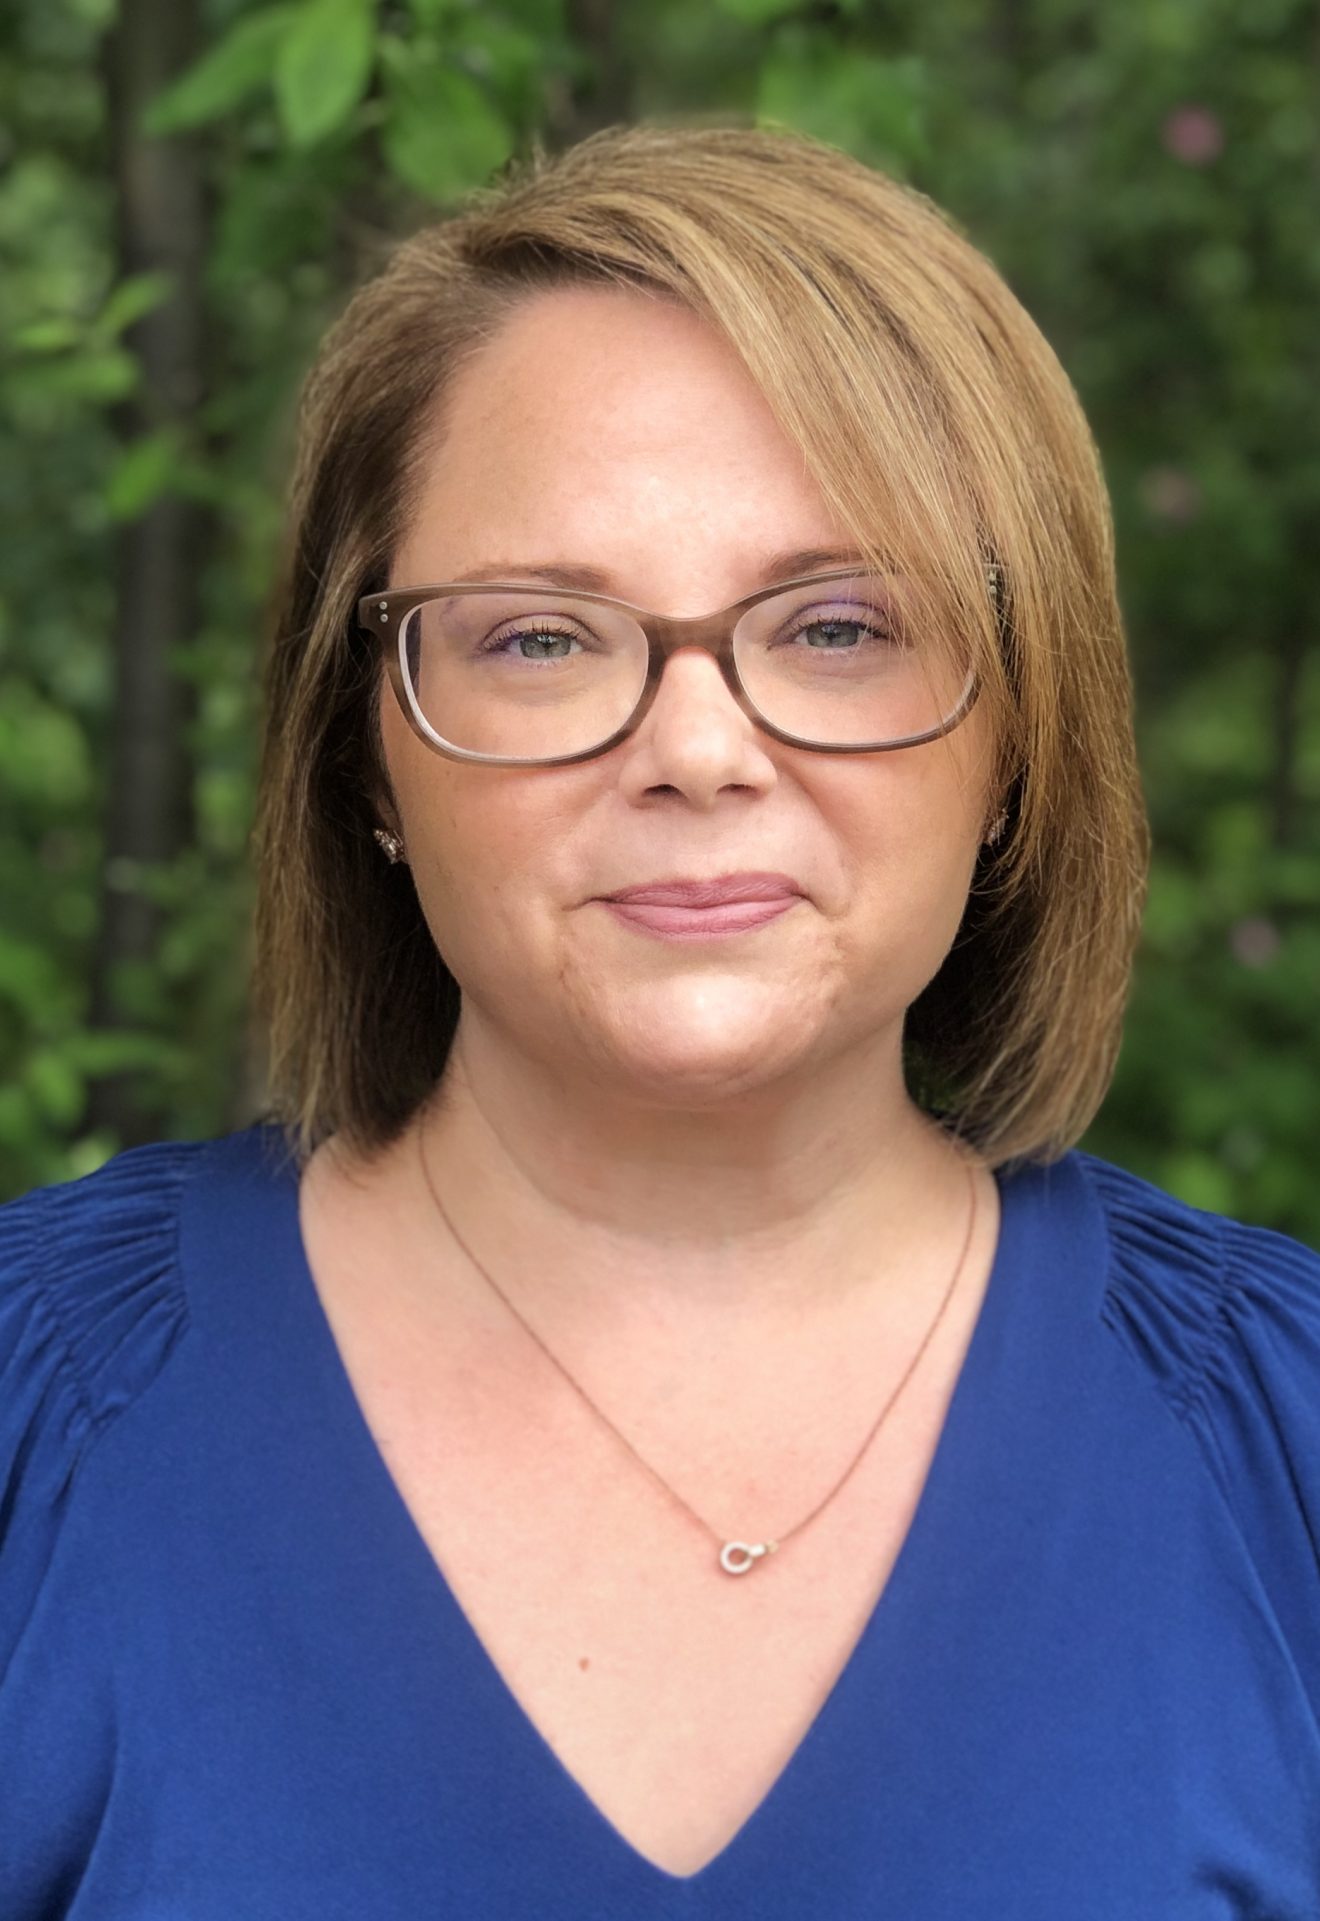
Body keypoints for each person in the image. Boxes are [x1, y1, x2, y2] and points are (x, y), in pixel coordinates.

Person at [1, 120, 1317, 1919]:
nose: (699, 751)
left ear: (1020, 736)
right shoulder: (39, 1412)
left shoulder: (1281, 1438)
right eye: (539, 638)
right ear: (366, 748)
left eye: (842, 624)